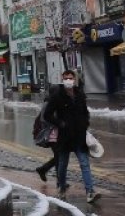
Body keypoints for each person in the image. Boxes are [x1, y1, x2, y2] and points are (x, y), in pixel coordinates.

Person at [42, 70, 99, 203]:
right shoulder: (57, 96)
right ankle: (61, 187)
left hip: (79, 135)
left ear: (74, 79)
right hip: (65, 137)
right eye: (66, 78)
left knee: (84, 163)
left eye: (71, 78)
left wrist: (85, 123)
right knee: (62, 164)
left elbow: (85, 111)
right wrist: (60, 123)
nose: (69, 80)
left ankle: (90, 191)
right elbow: (47, 115)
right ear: (62, 79)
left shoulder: (79, 94)